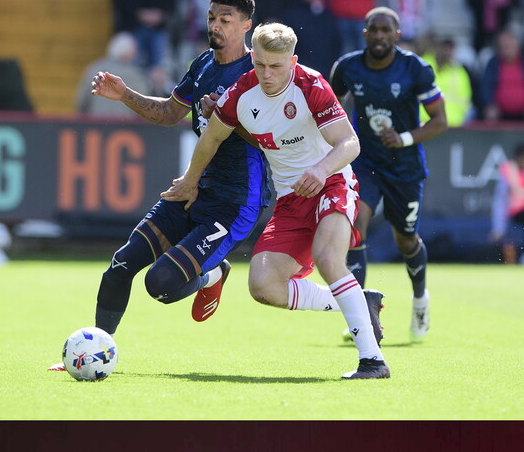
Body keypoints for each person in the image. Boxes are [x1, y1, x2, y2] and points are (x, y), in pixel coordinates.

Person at [48, 0, 271, 373]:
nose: (215, 25)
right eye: (212, 18)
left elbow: (271, 140)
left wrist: (228, 117)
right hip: (190, 189)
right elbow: (170, 113)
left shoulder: (257, 74)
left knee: (160, 285)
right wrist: (125, 95)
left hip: (234, 203)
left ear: (247, 26)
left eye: (226, 20)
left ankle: (212, 273)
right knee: (120, 264)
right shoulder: (202, 64)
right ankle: (96, 351)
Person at [162, 22, 390, 379]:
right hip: (290, 199)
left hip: (331, 182)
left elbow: (349, 143)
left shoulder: (311, 85)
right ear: (252, 57)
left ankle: (372, 361)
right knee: (263, 286)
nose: (267, 74)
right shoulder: (241, 92)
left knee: (329, 259)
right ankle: (361, 302)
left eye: (277, 66)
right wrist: (190, 181)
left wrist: (319, 169)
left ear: (293, 61)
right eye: (261, 64)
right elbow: (210, 140)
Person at [329, 7, 448, 344]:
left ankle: (420, 299)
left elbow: (440, 121)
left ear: (396, 35)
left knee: (406, 239)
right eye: (374, 30)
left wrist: (405, 138)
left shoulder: (415, 69)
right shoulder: (347, 67)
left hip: (405, 167)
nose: (380, 35)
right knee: (356, 227)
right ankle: (361, 317)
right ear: (364, 34)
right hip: (364, 162)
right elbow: (329, 108)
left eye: (386, 30)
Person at [478, 26, 524, 122]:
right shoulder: (493, 64)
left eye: (509, 44)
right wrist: (489, 105)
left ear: (517, 45)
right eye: (502, 44)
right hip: (499, 117)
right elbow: (485, 87)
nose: (506, 47)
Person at [75, 32, 148, 116]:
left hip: (96, 125)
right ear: (130, 53)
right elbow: (144, 107)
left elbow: (81, 102)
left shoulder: (94, 69)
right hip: (125, 127)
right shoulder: (136, 76)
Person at [280, 0, 342, 78]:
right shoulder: (293, 14)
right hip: (300, 69)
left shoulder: (328, 14)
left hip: (324, 68)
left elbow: (335, 42)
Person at [420, 35, 475, 127]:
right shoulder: (422, 66)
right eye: (444, 48)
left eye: (450, 49)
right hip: (424, 122)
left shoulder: (459, 71)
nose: (447, 52)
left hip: (452, 123)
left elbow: (465, 100)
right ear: (436, 48)